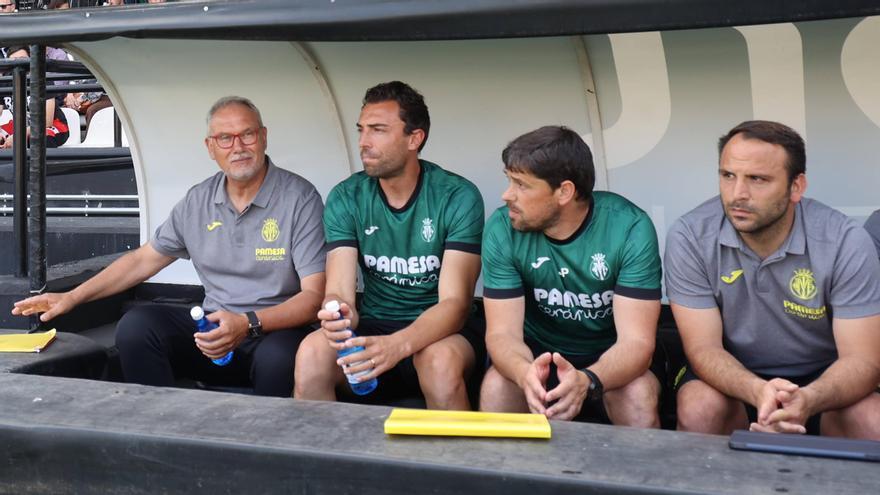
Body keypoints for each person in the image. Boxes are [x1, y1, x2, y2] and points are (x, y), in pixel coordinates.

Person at [12, 96, 327, 397]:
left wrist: (248, 323)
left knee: (283, 355)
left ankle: (264, 446)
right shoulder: (198, 200)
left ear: (264, 137)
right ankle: (159, 431)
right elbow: (141, 261)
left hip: (271, 334)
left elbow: (314, 298)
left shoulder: (299, 198)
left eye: (247, 135)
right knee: (137, 327)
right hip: (212, 334)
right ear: (210, 147)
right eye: (225, 138)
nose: (238, 147)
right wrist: (71, 297)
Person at [667, 120, 880, 438]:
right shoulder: (690, 235)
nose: (738, 194)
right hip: (732, 377)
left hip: (825, 380)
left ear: (797, 187)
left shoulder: (845, 241)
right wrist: (757, 391)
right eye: (728, 176)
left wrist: (807, 399)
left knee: (871, 420)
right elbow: (703, 348)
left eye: (757, 179)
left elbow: (862, 360)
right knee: (700, 406)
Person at [294, 81, 485, 410]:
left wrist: (396, 346)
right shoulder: (347, 196)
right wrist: (338, 313)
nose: (364, 142)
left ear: (415, 138)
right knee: (312, 352)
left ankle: (457, 460)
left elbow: (454, 305)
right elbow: (339, 290)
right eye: (361, 130)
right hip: (374, 324)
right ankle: (327, 460)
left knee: (439, 363)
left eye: (378, 130)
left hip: (441, 330)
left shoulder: (457, 196)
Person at [479, 126, 663, 425]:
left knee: (637, 395)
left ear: (564, 191)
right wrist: (526, 374)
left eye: (521, 185)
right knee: (497, 387)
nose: (507, 195)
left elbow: (636, 343)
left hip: (609, 360)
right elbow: (503, 334)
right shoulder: (502, 227)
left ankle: (638, 474)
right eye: (509, 181)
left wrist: (588, 379)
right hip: (537, 356)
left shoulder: (628, 227)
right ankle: (501, 473)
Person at [1, 46, 70, 148]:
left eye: (23, 60)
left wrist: (19, 136)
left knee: (39, 139)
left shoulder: (42, 78)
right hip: (20, 125)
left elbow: (47, 121)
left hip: (53, 126)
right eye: (14, 62)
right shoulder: (5, 82)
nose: (19, 65)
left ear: (30, 59)